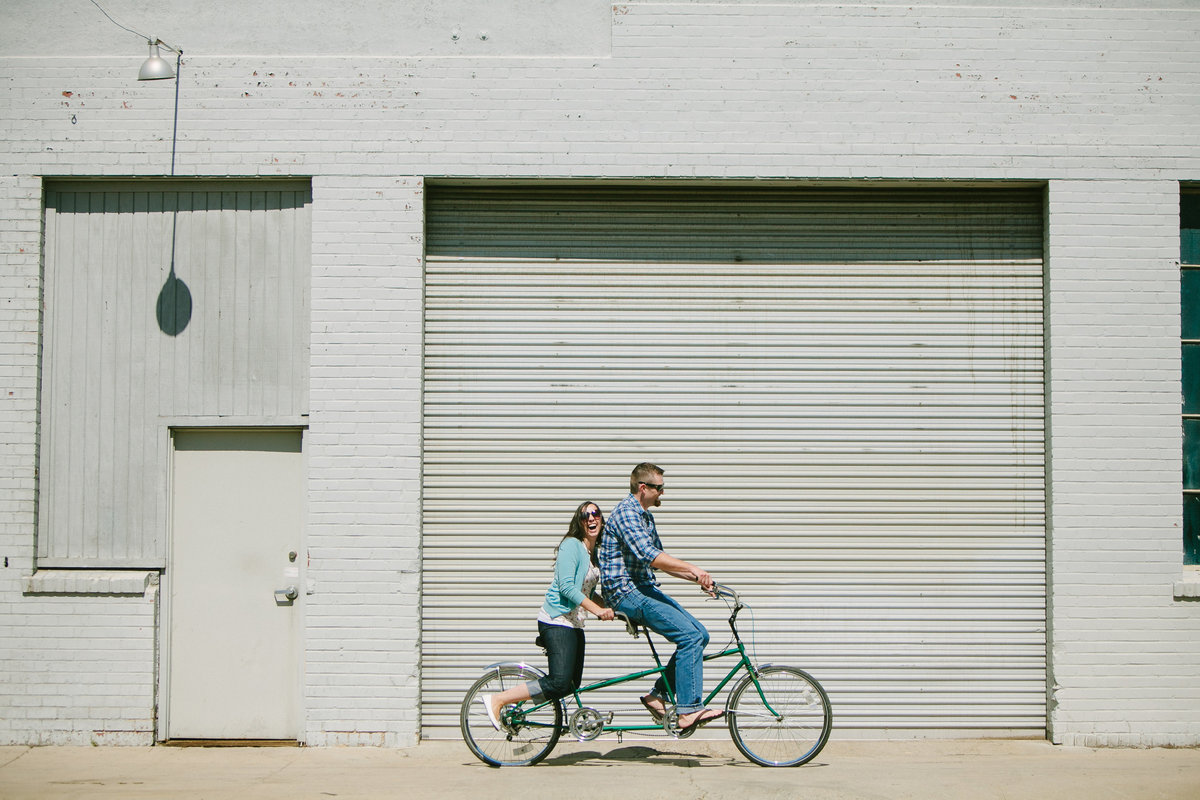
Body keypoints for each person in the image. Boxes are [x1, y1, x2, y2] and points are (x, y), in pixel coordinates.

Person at [599, 462, 725, 732]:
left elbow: (660, 562)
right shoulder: (626, 513)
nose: (663, 493)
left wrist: (699, 580)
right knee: (689, 637)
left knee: (700, 635)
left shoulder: (645, 517)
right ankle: (689, 710)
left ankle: (658, 695)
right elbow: (649, 555)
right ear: (643, 488)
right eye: (659, 488)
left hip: (642, 588)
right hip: (625, 592)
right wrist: (694, 568)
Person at [482, 501, 615, 730]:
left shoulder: (593, 555)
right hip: (556, 621)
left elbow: (588, 593)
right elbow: (567, 588)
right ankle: (499, 699)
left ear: (602, 519)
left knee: (569, 685)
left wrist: (618, 610)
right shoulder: (571, 545)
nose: (591, 518)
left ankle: (522, 711)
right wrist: (598, 611)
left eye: (595, 514)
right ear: (579, 522)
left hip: (574, 624)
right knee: (559, 681)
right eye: (585, 515)